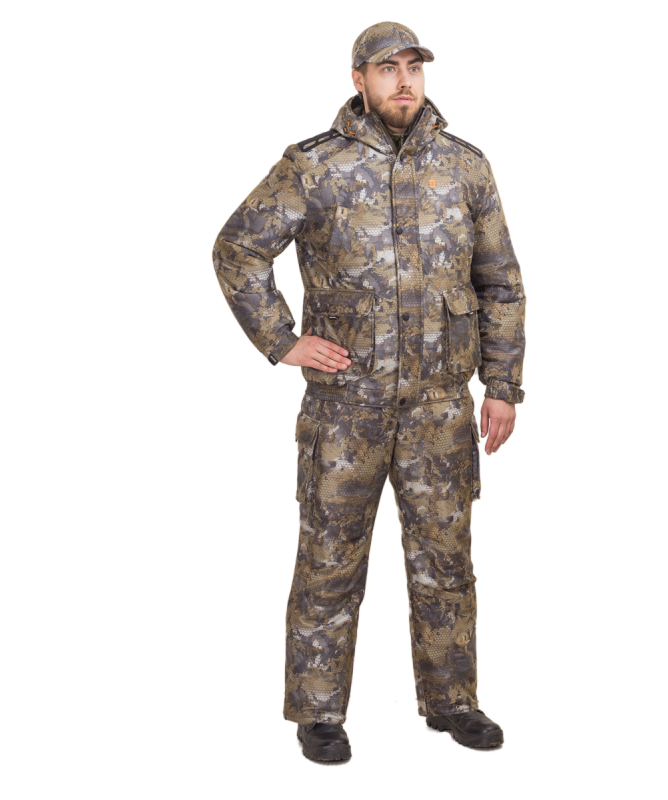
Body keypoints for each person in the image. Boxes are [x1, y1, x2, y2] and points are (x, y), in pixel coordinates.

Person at [211, 20, 526, 765]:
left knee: (447, 562)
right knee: (330, 559)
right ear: (359, 80)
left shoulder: (466, 166)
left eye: (414, 66)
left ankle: (453, 703)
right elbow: (237, 248)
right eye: (388, 68)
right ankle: (318, 713)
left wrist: (503, 385)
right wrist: (282, 340)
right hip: (344, 409)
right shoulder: (312, 166)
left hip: (441, 407)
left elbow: (501, 283)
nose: (404, 80)